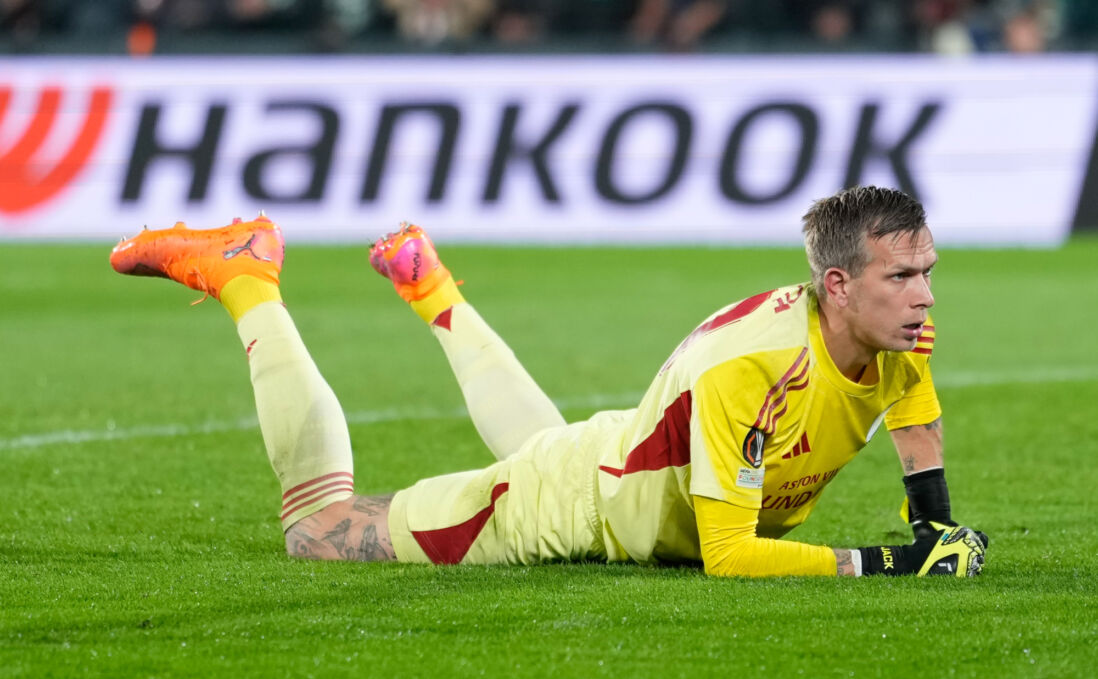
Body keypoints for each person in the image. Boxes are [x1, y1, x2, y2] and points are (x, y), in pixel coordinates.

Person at [109, 186, 987, 578]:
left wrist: (935, 522)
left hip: (611, 463)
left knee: (557, 447)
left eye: (927, 272)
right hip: (569, 510)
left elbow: (912, 411)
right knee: (318, 534)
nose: (925, 295)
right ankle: (245, 277)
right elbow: (729, 558)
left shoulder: (896, 328)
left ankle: (431, 289)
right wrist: (895, 564)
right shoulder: (754, 367)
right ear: (838, 284)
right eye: (903, 276)